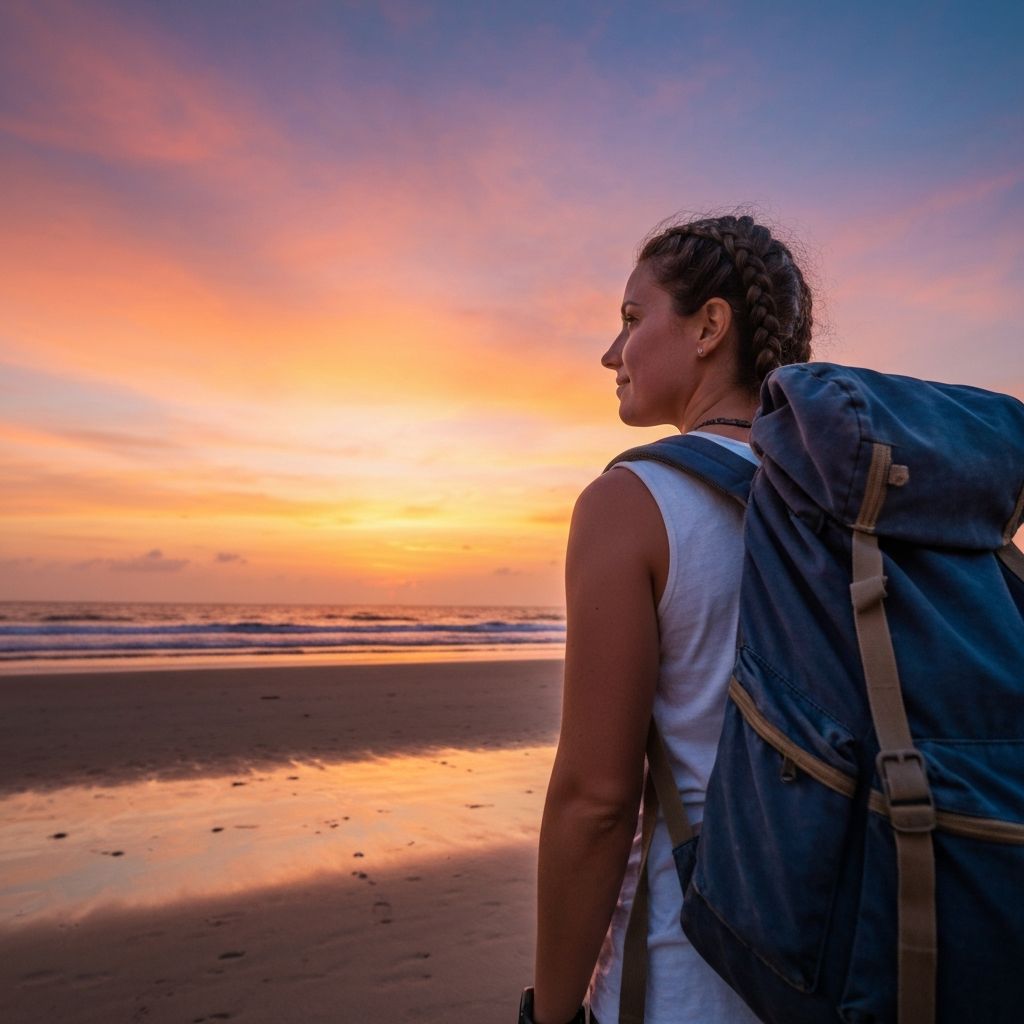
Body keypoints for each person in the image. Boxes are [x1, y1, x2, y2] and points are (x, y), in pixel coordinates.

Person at [527, 213, 814, 1024]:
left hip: (691, 978)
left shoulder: (632, 503)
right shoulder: (846, 501)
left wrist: (547, 1015)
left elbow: (595, 803)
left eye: (630, 318)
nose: (612, 354)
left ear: (709, 327)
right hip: (855, 962)